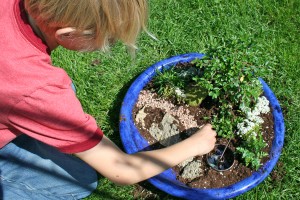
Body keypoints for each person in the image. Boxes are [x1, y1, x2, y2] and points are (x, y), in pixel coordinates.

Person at [0, 0, 217, 199]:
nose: (110, 45)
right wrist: (195, 145)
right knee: (80, 181)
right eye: (109, 39)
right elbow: (121, 170)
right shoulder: (40, 90)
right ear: (68, 35)